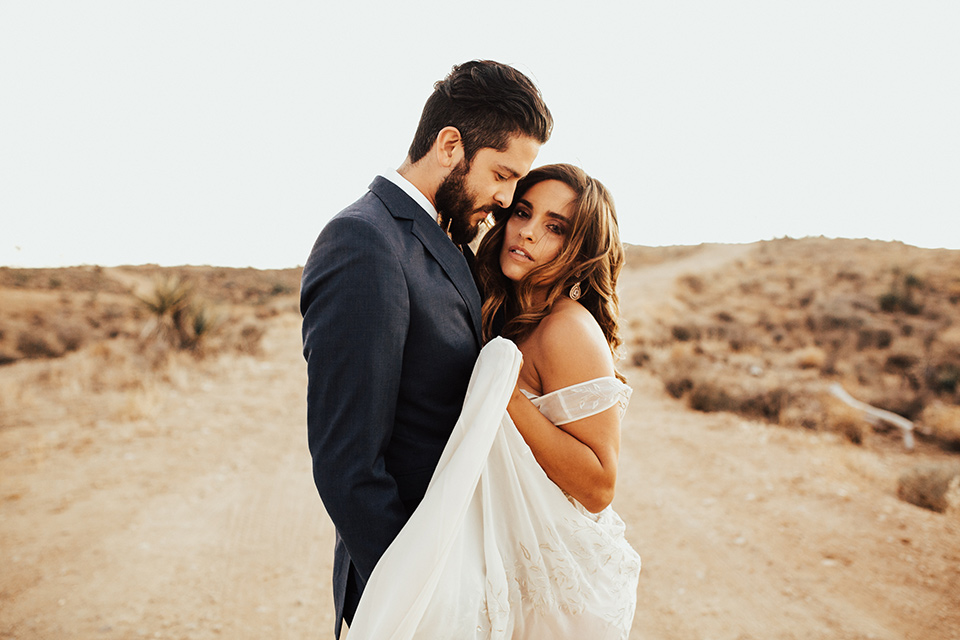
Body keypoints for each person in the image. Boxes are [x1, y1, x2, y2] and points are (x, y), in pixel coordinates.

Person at [300, 60, 552, 639]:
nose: (508, 198)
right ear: (449, 145)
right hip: (415, 594)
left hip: (463, 572)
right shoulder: (364, 242)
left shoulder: (449, 241)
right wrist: (424, 592)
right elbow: (347, 463)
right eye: (503, 174)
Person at [346, 164, 641, 639]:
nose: (526, 232)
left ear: (580, 249)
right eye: (523, 212)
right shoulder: (505, 314)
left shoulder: (567, 327)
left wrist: (503, 392)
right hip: (491, 565)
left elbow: (599, 485)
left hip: (549, 582)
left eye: (554, 227)